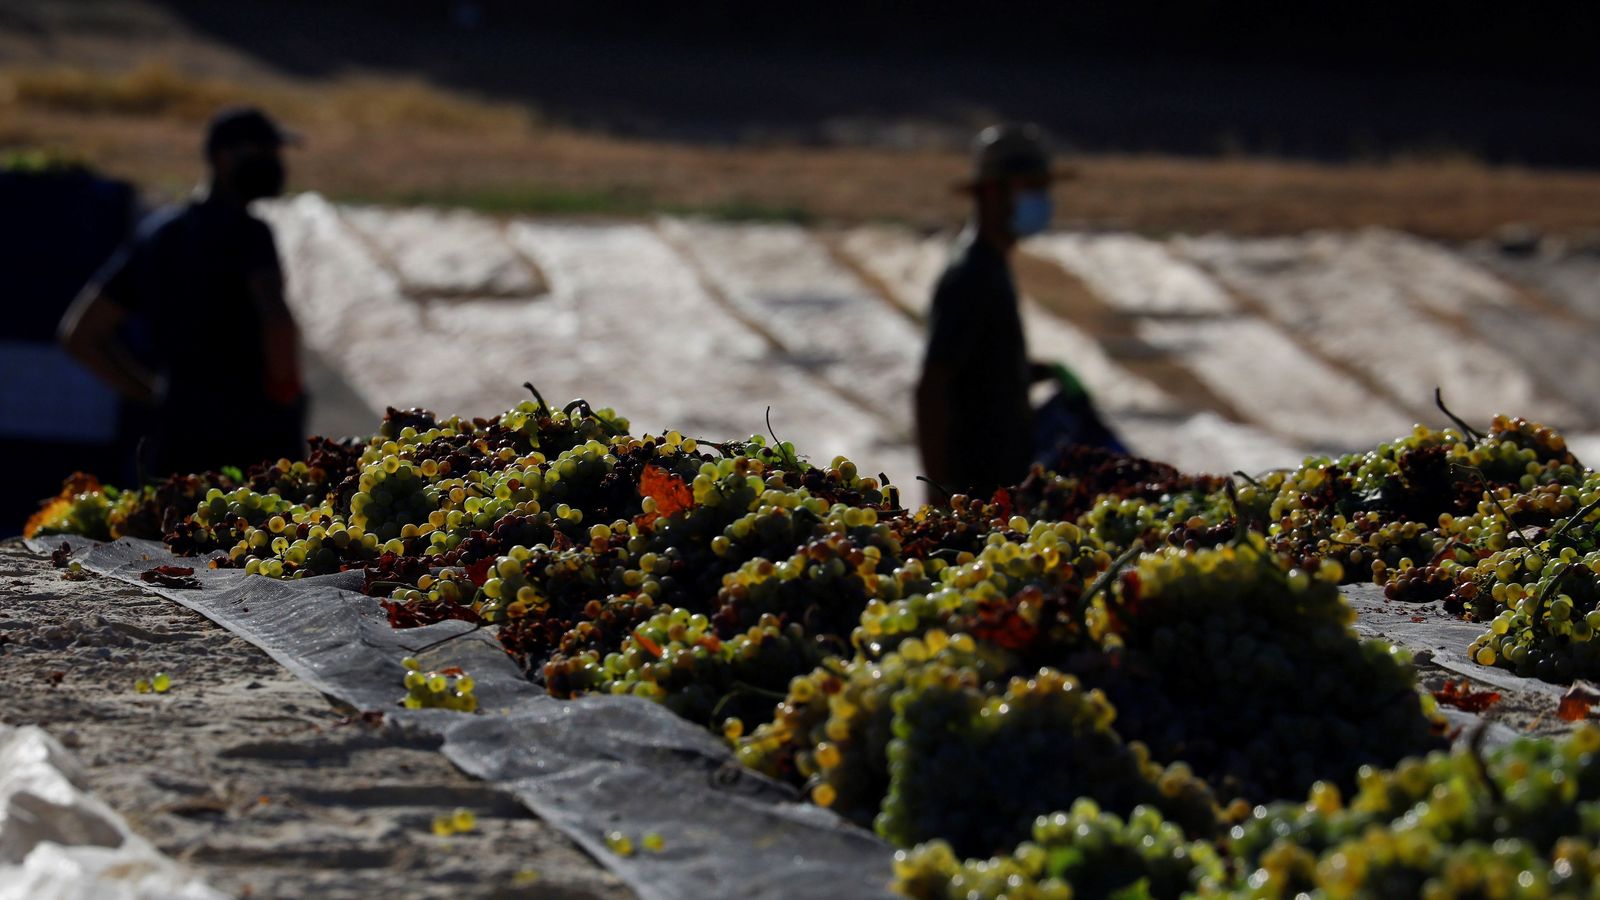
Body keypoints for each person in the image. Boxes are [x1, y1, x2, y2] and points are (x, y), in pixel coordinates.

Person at [59, 106, 305, 477]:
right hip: (253, 431)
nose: (274, 164)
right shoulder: (249, 234)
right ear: (225, 157)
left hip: (177, 432)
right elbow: (276, 319)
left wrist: (151, 395)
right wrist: (285, 392)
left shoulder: (158, 236)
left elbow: (79, 335)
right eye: (264, 154)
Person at [915, 123, 1064, 501]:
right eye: (1032, 189)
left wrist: (1030, 373)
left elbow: (978, 371)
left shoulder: (993, 266)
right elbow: (934, 387)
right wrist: (941, 492)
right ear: (994, 192)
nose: (1043, 199)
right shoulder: (971, 275)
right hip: (974, 489)